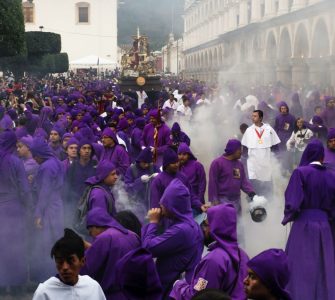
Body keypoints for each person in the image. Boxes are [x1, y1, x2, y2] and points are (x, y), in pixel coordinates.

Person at [282, 140, 335, 300]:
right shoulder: (332, 175)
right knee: (323, 267)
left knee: (301, 266)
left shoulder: (301, 172)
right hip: (325, 225)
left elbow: (293, 201)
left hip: (304, 224)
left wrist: (288, 216)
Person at [170, 204, 248, 300]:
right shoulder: (243, 255)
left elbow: (197, 295)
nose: (204, 229)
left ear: (216, 228)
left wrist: (178, 285)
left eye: (206, 225)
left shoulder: (214, 259)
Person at [142, 179, 204, 298]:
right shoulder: (192, 224)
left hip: (171, 289)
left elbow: (148, 248)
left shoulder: (181, 231)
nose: (161, 207)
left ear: (174, 207)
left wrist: (153, 223)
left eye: (164, 205)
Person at [81, 207, 140, 299]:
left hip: (112, 295)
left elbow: (86, 268)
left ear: (95, 226)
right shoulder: (133, 235)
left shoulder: (103, 238)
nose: (91, 235)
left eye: (90, 232)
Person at [32, 229, 106, 300]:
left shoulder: (93, 287)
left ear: (82, 261)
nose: (65, 267)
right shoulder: (44, 292)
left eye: (70, 261)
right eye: (60, 261)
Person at [0, 131, 31, 295]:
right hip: (13, 209)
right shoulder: (15, 161)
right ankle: (17, 286)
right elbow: (24, 189)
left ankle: (2, 284)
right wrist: (29, 208)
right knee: (17, 247)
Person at [30, 137, 65, 281]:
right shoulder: (55, 161)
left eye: (35, 156)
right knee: (56, 239)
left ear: (40, 154)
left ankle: (48, 276)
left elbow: (45, 192)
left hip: (48, 208)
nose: (34, 159)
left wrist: (38, 214)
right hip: (57, 205)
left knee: (47, 242)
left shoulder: (46, 167)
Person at [150, 147, 204, 213]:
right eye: (173, 163)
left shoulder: (182, 177)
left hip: (183, 216)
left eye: (177, 162)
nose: (177, 165)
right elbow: (155, 204)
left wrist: (200, 205)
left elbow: (190, 196)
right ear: (166, 165)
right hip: (166, 218)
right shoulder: (158, 181)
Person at [208, 139, 255, 214]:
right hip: (222, 200)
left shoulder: (239, 164)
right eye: (240, 149)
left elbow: (243, 182)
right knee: (225, 223)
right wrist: (214, 201)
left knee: (237, 223)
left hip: (236, 200)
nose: (241, 152)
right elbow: (212, 183)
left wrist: (251, 192)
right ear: (234, 150)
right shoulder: (217, 163)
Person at [241, 110, 280, 198]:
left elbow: (275, 147)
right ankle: (253, 204)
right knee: (254, 186)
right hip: (253, 164)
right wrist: (244, 161)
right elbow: (245, 149)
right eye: (252, 116)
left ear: (261, 118)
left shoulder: (269, 129)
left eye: (255, 116)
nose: (252, 117)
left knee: (267, 187)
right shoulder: (249, 130)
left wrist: (276, 161)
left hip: (266, 163)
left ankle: (269, 204)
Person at [124, 147, 160, 214]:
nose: (146, 165)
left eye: (148, 163)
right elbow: (127, 188)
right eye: (144, 163)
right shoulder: (132, 169)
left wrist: (159, 177)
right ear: (139, 160)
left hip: (153, 204)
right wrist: (139, 181)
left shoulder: (154, 167)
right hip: (137, 204)